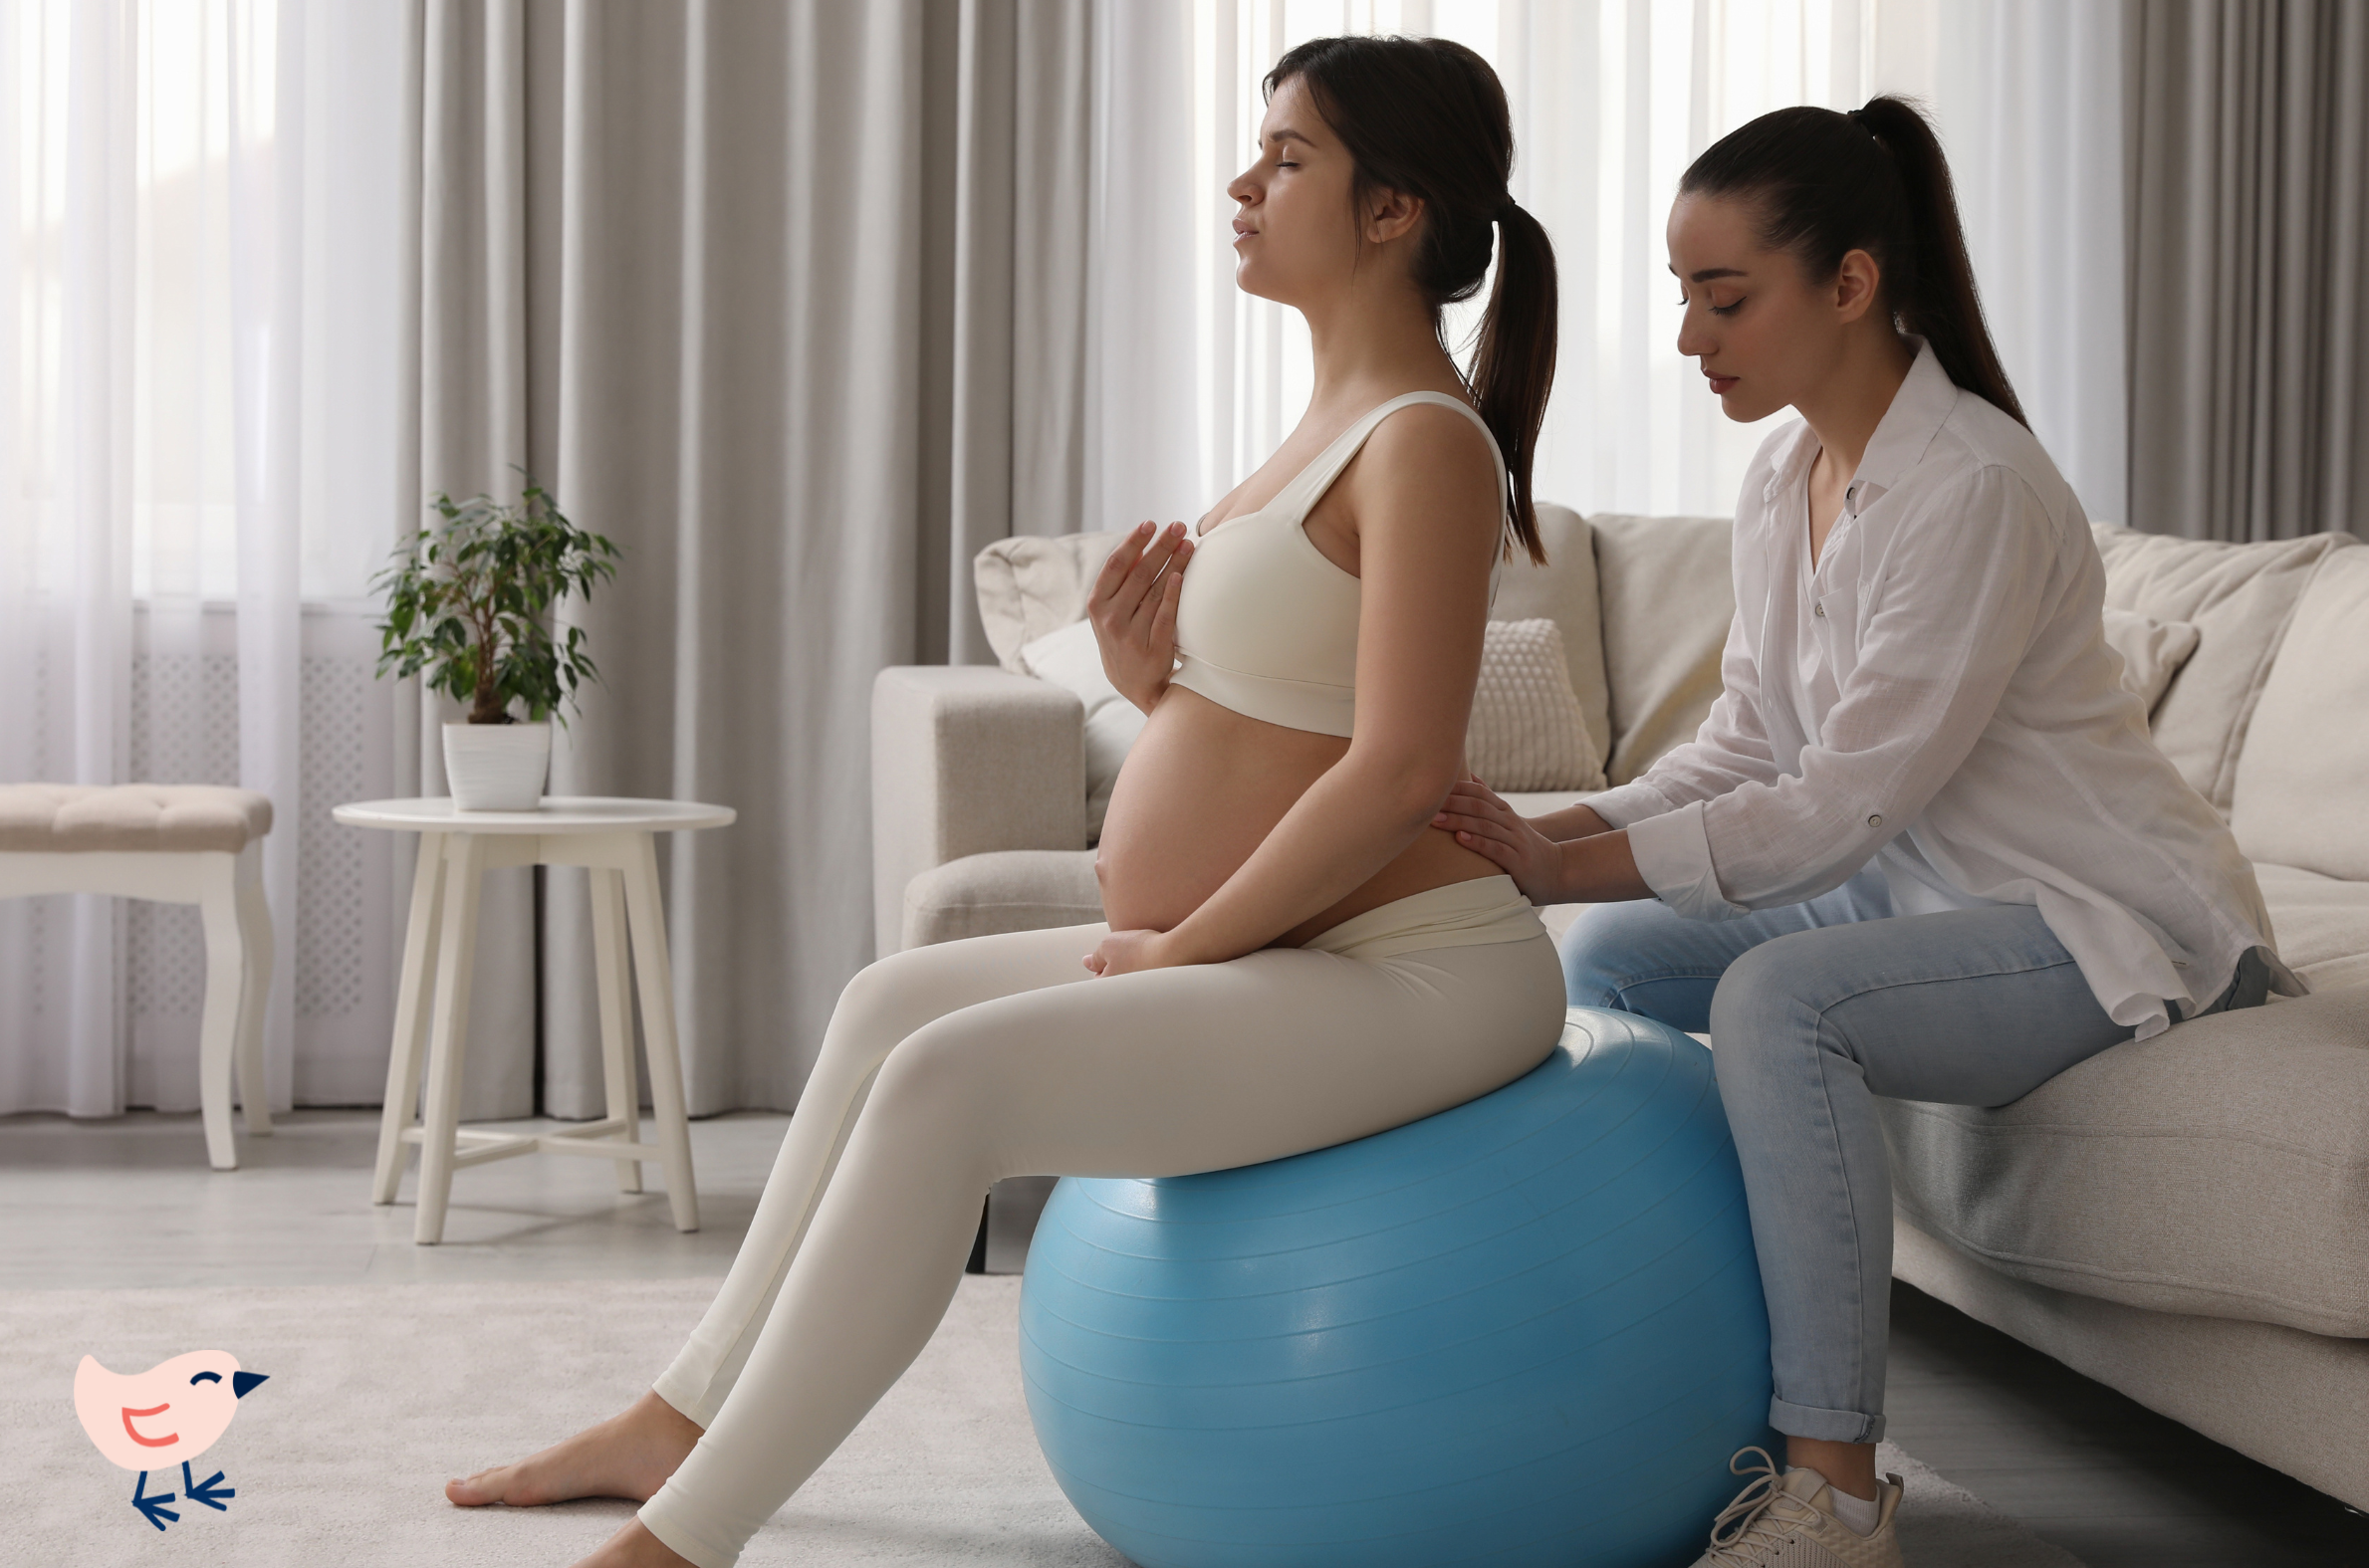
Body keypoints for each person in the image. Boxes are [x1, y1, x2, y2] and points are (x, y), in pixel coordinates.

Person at [443, 35, 1564, 1568]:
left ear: (1392, 209)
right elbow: (1282, 726)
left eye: (1289, 156)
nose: (1243, 183)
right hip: (1297, 947)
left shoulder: (1427, 442)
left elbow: (1400, 767)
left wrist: (1187, 946)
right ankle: (681, 1413)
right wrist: (1152, 681)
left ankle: (685, 1539)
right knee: (887, 1004)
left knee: (947, 1085)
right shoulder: (1332, 422)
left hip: (1418, 971)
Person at [1432, 99, 2300, 1568]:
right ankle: (1681, 1365)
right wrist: (1542, 836)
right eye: (1683, 297)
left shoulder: (1974, 487)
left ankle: (1835, 1494)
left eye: (1726, 298)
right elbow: (1745, 748)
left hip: (2105, 921)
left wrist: (1558, 862)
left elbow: (1839, 806)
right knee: (1619, 953)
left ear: (1850, 282)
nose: (1692, 337)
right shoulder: (1786, 478)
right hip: (1925, 899)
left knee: (1779, 999)